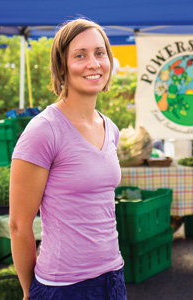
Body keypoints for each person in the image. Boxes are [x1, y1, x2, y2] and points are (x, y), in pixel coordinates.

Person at [9, 18, 127, 300]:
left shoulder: (110, 128)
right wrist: (29, 292)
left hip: (113, 276)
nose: (93, 63)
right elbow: (18, 226)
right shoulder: (43, 130)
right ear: (62, 66)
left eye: (100, 53)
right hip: (63, 287)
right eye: (80, 55)